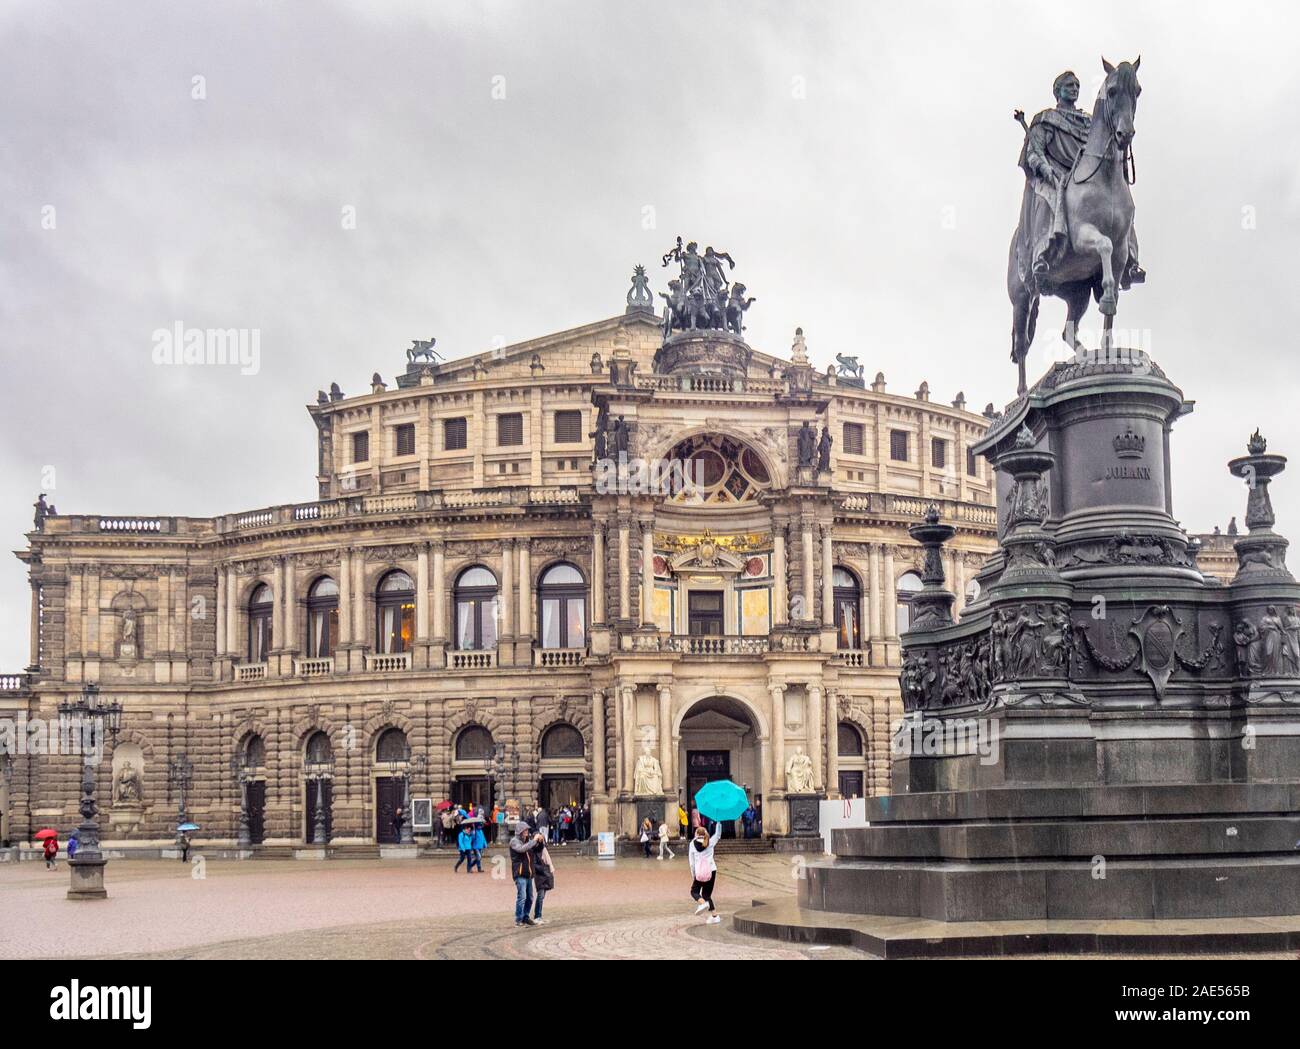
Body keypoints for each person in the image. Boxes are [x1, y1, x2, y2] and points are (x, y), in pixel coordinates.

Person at [510, 821, 543, 927]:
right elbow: (522, 849)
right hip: (519, 873)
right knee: (522, 897)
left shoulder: (528, 841)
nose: (527, 832)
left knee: (530, 897)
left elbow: (538, 850)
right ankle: (518, 919)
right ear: (520, 831)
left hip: (529, 873)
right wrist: (534, 840)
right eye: (525, 830)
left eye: (527, 830)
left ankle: (525, 917)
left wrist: (540, 842)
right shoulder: (514, 841)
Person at [689, 821, 723, 924]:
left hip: (700, 872)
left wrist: (693, 874)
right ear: (706, 834)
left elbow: (692, 862)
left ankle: (703, 903)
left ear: (696, 834)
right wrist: (718, 822)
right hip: (711, 870)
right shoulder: (710, 841)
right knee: (706, 894)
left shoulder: (692, 844)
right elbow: (717, 835)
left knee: (694, 891)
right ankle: (715, 916)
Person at [532, 835, 555, 925]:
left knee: (542, 896)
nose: (542, 842)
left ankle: (539, 916)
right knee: (540, 896)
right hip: (540, 875)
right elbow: (534, 864)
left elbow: (548, 860)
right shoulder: (534, 850)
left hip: (545, 873)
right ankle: (537, 916)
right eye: (540, 840)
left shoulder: (543, 848)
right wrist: (543, 869)